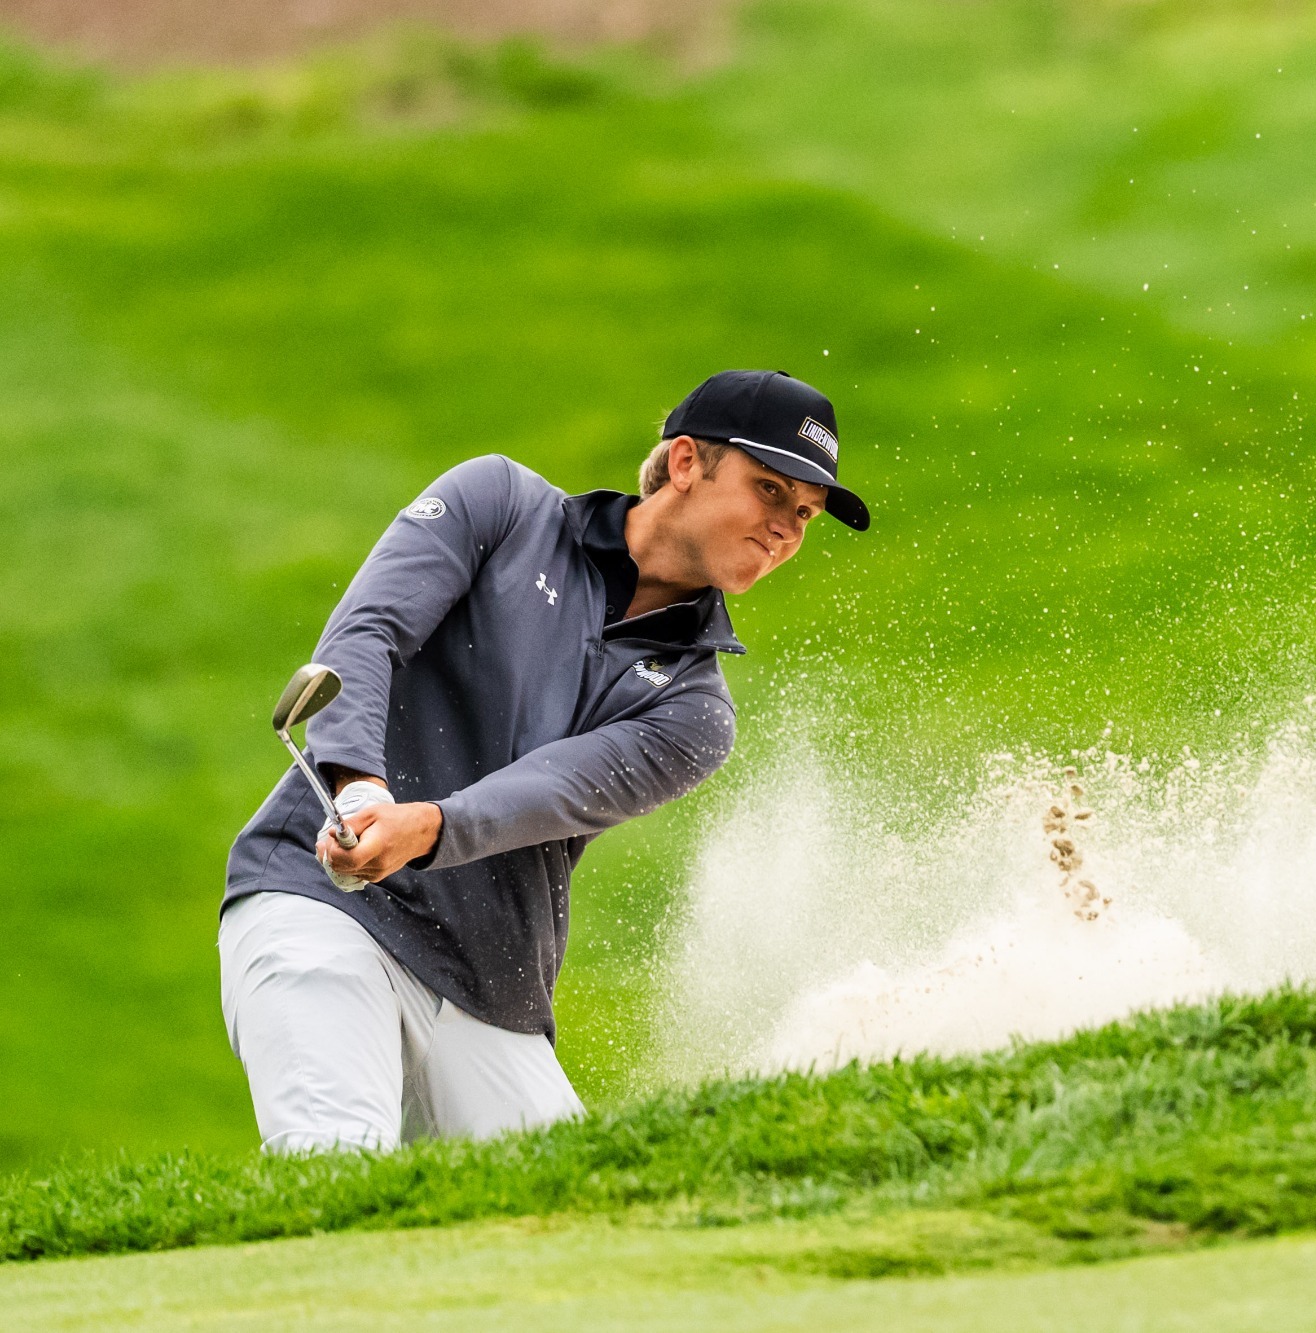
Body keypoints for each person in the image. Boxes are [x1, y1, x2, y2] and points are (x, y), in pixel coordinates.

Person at [218, 370, 868, 1153]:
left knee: (581, 1224)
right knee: (333, 1160)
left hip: (488, 986)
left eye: (804, 514)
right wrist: (359, 790)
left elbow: (551, 791)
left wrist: (423, 826)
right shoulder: (498, 505)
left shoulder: (697, 712)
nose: (786, 529)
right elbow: (367, 634)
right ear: (688, 462)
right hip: (320, 901)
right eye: (769, 490)